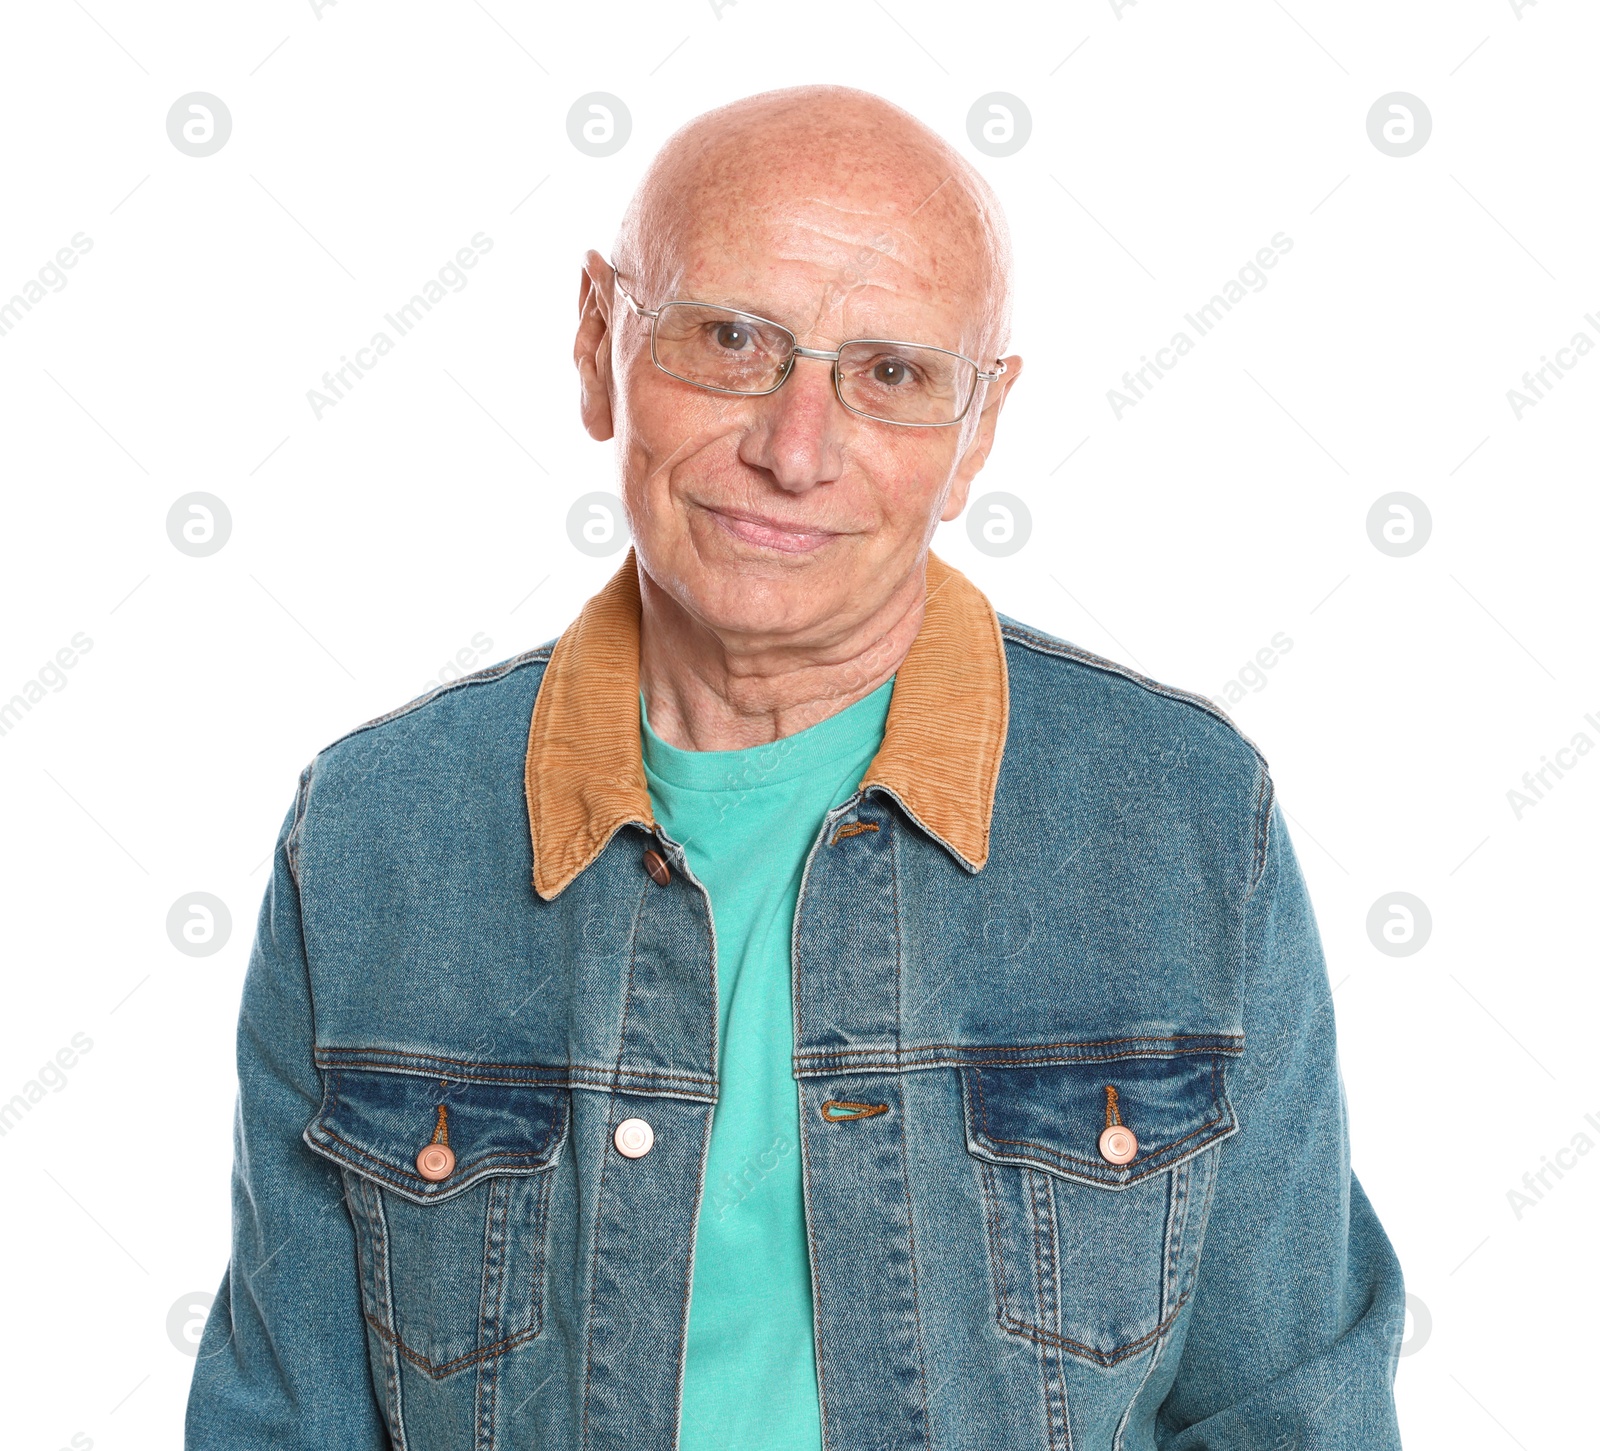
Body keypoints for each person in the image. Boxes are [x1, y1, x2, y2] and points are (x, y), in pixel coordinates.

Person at [186, 85, 1405, 1450]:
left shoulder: (1181, 821)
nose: (795, 449)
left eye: (889, 375)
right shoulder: (372, 839)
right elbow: (283, 1423)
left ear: (979, 427)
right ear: (599, 343)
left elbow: (1292, 1414)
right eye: (728, 340)